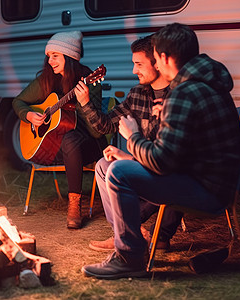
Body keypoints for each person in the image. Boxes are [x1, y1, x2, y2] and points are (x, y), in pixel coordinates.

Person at [81, 23, 240, 279]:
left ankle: (129, 257)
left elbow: (162, 162)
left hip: (206, 191)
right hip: (218, 184)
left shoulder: (184, 92)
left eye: (153, 59)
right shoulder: (206, 83)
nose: (152, 65)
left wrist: (132, 136)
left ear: (164, 59)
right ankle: (132, 242)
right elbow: (183, 150)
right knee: (111, 164)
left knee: (119, 172)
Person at [75, 35, 183, 252]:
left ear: (158, 63)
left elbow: (176, 158)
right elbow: (104, 126)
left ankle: (155, 234)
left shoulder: (180, 95)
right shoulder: (137, 95)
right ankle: (123, 233)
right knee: (103, 166)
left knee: (173, 172)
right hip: (146, 162)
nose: (134, 71)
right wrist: (86, 103)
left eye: (139, 64)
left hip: (170, 169)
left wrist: (130, 154)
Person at [12, 31, 108, 229]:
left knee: (70, 138)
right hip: (55, 148)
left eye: (55, 56)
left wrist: (84, 102)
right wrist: (29, 116)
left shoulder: (88, 78)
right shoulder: (48, 79)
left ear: (70, 56)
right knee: (67, 139)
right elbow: (18, 101)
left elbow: (98, 132)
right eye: (48, 56)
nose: (50, 61)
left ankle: (75, 206)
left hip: (89, 145)